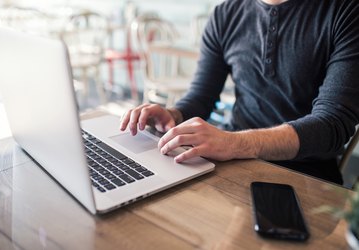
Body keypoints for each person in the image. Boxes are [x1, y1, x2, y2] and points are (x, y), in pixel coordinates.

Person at [120, 0, 359, 185]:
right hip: (233, 162)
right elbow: (201, 97)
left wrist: (235, 143)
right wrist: (173, 113)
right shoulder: (226, 14)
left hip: (307, 173)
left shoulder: (346, 12)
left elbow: (333, 123)